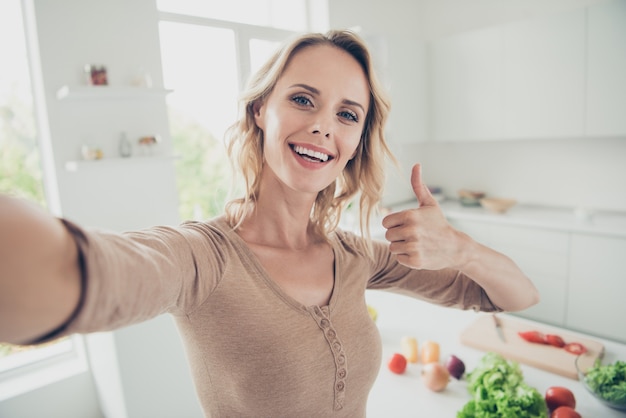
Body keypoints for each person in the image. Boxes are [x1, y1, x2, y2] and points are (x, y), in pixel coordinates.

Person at [0, 30, 539, 416]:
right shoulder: (200, 258)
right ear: (261, 110)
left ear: (356, 142)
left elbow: (515, 295)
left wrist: (461, 248)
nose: (324, 127)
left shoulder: (357, 256)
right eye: (303, 100)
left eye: (348, 114)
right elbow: (71, 274)